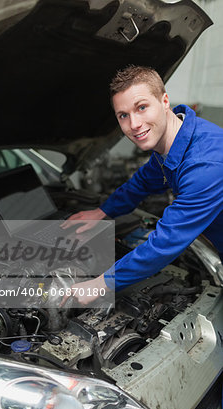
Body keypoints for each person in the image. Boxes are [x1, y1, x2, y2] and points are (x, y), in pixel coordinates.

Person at [60, 65, 223, 306]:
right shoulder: (176, 139)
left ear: (164, 100)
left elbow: (166, 242)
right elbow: (143, 182)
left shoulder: (205, 165)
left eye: (142, 107)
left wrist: (102, 283)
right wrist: (102, 211)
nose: (134, 124)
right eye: (123, 115)